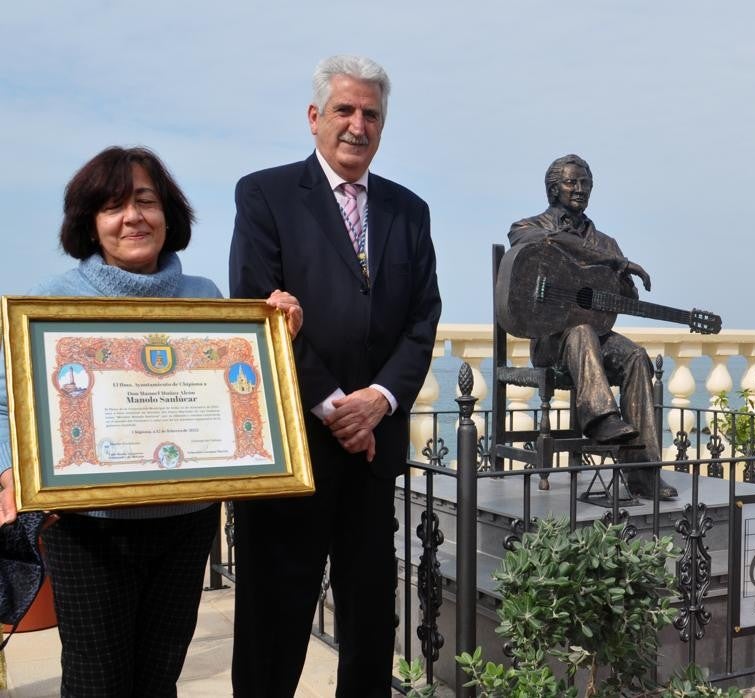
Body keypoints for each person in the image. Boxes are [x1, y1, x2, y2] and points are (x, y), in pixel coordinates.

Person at [0, 146, 301, 696]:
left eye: (145, 201)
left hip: (185, 524)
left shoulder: (205, 298)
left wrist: (277, 339)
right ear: (90, 223)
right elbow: (7, 404)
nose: (132, 217)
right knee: (96, 682)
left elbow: (241, 389)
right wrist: (8, 468)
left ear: (169, 214)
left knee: (160, 677)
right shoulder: (53, 300)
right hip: (88, 527)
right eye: (113, 205)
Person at [228, 54, 441, 697]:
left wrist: (377, 400)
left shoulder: (410, 211)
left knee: (372, 622)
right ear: (315, 117)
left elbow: (424, 316)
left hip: (373, 455)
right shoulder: (264, 194)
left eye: (371, 113)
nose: (358, 124)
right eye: (344, 110)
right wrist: (333, 406)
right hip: (295, 451)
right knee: (275, 623)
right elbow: (257, 305)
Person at [507, 154, 676, 501]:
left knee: (636, 356)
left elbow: (617, 298)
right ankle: (600, 418)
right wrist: (616, 261)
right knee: (581, 331)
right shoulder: (527, 226)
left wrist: (624, 285)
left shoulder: (606, 242)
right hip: (551, 342)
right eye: (571, 182)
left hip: (596, 340)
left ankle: (644, 474)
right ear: (554, 188)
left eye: (585, 183)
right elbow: (540, 242)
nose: (579, 189)